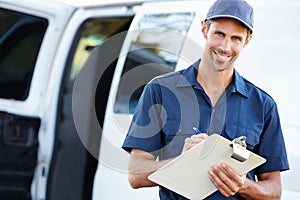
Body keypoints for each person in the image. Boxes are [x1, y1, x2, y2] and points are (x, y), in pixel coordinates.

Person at [122, 0, 289, 199]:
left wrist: (243, 185)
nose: (225, 47)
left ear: (247, 41)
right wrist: (181, 162)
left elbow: (274, 190)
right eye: (219, 34)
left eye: (236, 38)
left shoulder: (263, 106)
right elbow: (135, 174)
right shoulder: (160, 91)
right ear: (204, 29)